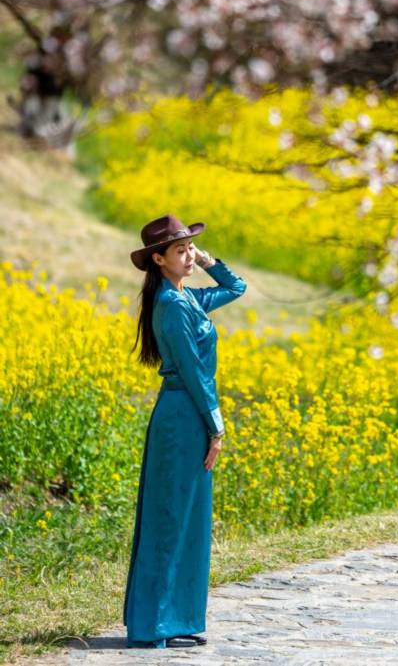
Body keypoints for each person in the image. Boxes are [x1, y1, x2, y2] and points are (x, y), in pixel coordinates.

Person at [123, 213, 247, 649]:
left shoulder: (187, 298)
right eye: (180, 250)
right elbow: (193, 372)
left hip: (189, 414)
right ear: (158, 259)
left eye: (190, 246)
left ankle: (173, 619)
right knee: (170, 517)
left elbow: (237, 288)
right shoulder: (172, 306)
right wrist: (216, 426)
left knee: (189, 518)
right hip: (182, 416)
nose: (189, 254)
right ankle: (152, 624)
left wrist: (208, 260)